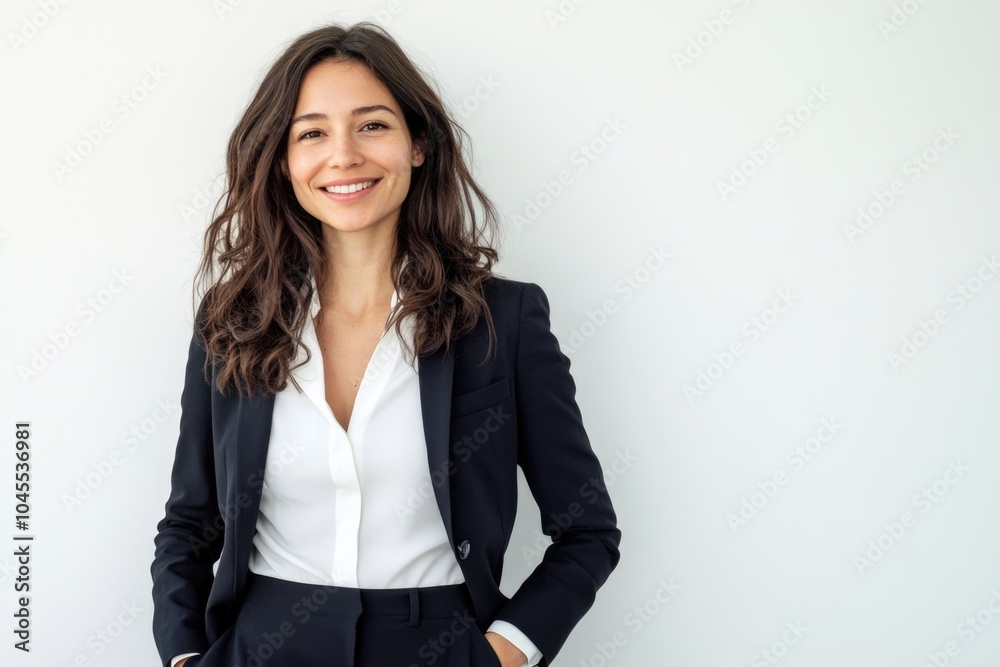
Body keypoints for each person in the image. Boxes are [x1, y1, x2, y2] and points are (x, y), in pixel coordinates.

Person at [150, 21, 621, 667]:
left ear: (418, 143)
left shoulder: (503, 319)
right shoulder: (231, 319)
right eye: (311, 132)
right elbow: (188, 522)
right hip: (261, 644)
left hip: (439, 642)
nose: (343, 155)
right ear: (283, 159)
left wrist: (501, 653)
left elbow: (587, 529)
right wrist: (184, 655)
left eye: (372, 125)